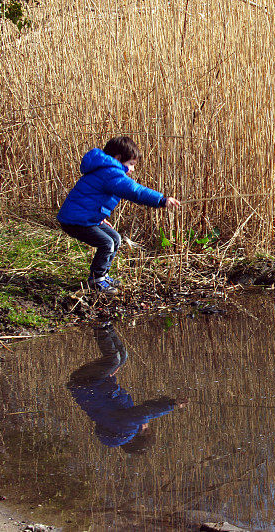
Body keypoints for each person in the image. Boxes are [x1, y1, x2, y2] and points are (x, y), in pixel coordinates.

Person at [57, 136, 181, 295]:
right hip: (76, 221)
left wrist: (98, 217)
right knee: (107, 243)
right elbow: (135, 191)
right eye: (131, 164)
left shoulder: (104, 169)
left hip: (85, 217)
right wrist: (161, 200)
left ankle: (103, 275)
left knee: (115, 238)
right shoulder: (111, 173)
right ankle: (96, 280)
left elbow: (90, 198)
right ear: (118, 158)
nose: (133, 169)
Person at [67, 324, 187, 454]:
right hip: (91, 382)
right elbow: (140, 407)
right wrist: (167, 401)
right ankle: (108, 326)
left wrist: (172, 405)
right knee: (122, 357)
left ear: (134, 438)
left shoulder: (126, 430)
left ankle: (99, 325)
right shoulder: (118, 427)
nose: (146, 425)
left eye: (146, 430)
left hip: (86, 381)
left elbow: (143, 413)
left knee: (113, 360)